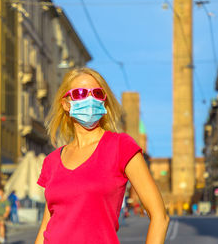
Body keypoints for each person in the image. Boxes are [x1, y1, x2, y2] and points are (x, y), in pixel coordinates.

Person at [35, 68, 169, 244]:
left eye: (97, 93)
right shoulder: (51, 161)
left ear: (104, 102)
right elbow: (47, 224)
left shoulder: (120, 146)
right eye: (80, 93)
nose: (89, 99)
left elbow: (160, 217)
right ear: (66, 104)